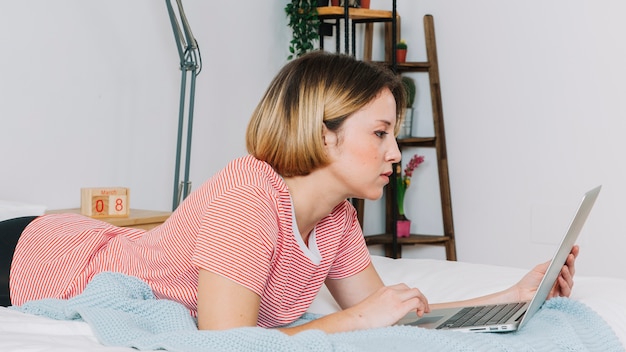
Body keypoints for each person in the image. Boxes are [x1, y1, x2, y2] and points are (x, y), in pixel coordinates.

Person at [7, 51, 578, 335]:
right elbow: (228, 344)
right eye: (379, 134)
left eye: (394, 136)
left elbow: (393, 315)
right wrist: (356, 321)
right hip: (35, 256)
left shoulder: (336, 220)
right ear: (322, 134)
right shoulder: (247, 191)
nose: (395, 154)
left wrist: (511, 294)